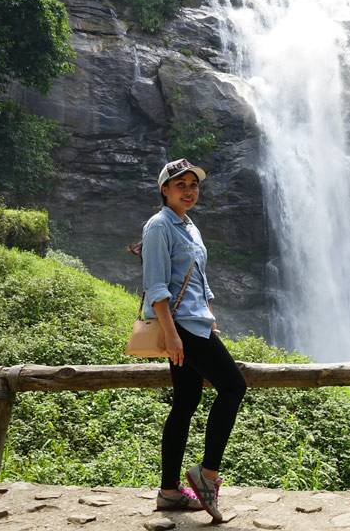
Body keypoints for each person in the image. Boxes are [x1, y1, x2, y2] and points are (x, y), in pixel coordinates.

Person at [141, 157, 247, 522]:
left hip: (198, 322)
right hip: (182, 327)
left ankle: (170, 492)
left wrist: (211, 314)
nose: (189, 191)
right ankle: (207, 474)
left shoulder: (190, 226)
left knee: (186, 402)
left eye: (194, 185)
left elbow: (198, 277)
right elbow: (156, 286)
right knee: (234, 387)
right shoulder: (158, 227)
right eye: (180, 184)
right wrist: (171, 335)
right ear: (164, 189)